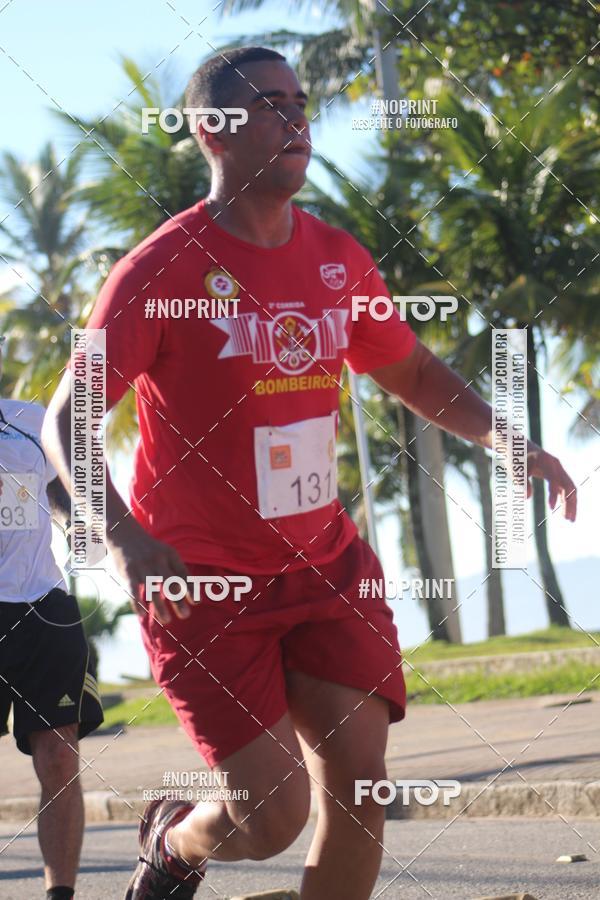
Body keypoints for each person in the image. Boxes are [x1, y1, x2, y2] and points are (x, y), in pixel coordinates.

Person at [42, 47, 577, 900]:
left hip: (325, 568)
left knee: (363, 789)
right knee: (271, 816)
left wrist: (503, 437)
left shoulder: (337, 257)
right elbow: (67, 417)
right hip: (202, 583)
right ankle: (177, 844)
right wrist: (122, 536)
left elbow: (411, 371)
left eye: (301, 102)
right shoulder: (159, 272)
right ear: (210, 130)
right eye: (268, 104)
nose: (296, 119)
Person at [0, 334, 104, 900]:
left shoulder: (29, 422)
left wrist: (85, 527)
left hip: (43, 608)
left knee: (60, 754)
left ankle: (60, 894)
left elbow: (69, 494)